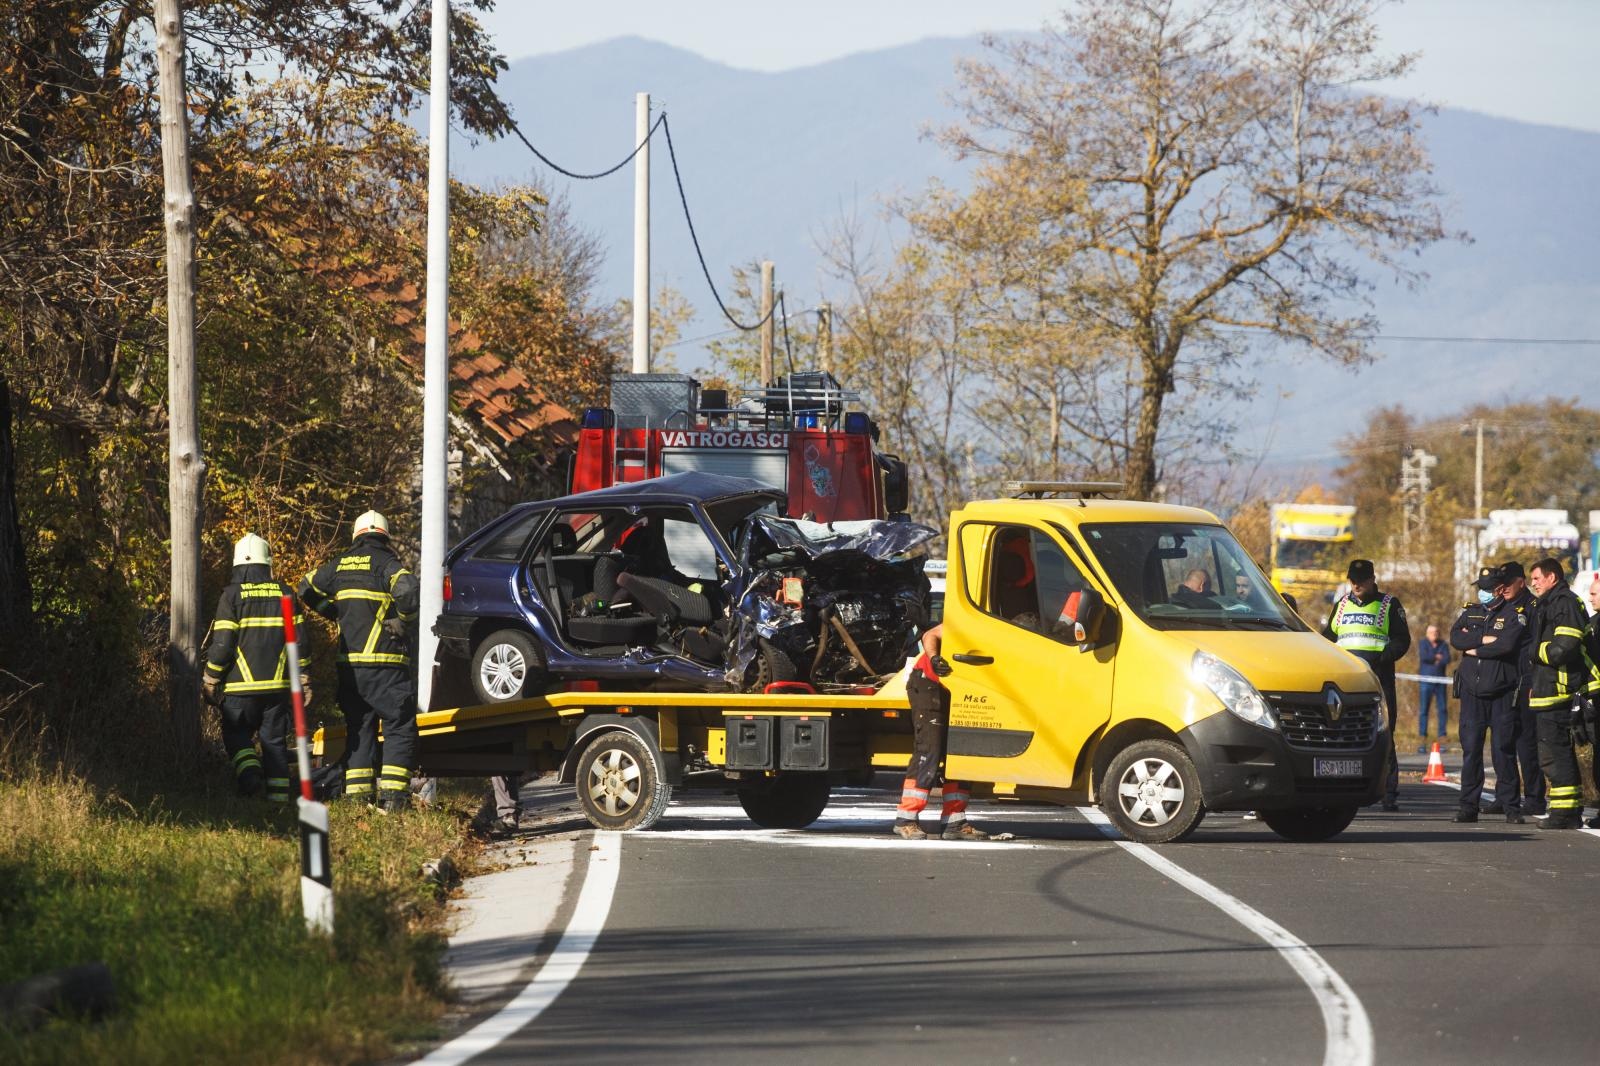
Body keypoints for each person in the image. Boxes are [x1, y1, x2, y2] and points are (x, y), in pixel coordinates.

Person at [299, 510, 420, 812]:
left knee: (359, 728)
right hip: (385, 666)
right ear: (384, 536)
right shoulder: (386, 564)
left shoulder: (339, 565)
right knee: (398, 726)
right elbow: (408, 588)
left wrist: (331, 611)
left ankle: (357, 799)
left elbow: (305, 586)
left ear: (356, 535)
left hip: (350, 668)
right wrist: (404, 621)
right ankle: (394, 799)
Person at [202, 533, 307, 803]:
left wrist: (211, 678)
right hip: (277, 689)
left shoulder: (231, 596)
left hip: (240, 689)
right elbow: (299, 642)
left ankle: (250, 775)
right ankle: (279, 801)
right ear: (267, 562)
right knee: (274, 742)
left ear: (237, 563)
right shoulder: (286, 593)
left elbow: (223, 645)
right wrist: (304, 679)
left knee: (236, 734)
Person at [1322, 558, 1409, 811]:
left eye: (1361, 580)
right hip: (1345, 683)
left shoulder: (1389, 604)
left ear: (1372, 579)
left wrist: (1381, 659)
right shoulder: (1341, 605)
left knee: (1384, 734)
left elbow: (1402, 640)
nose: (1356, 585)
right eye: (1353, 580)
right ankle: (1344, 790)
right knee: (1342, 735)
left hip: (1378, 680)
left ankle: (1389, 792)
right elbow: (1328, 639)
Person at [894, 622, 989, 841]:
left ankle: (954, 822)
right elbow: (931, 634)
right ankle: (905, 819)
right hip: (929, 684)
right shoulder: (973, 621)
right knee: (929, 750)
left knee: (961, 753)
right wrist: (934, 658)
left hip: (960, 690)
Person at [1449, 567, 1526, 824]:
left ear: (1499, 589)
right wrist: (1484, 638)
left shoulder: (1514, 614)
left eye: (1486, 588)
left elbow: (1506, 645)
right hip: (1472, 694)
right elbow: (1456, 638)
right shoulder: (1470, 612)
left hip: (1501, 693)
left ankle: (1511, 808)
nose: (1481, 592)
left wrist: (1475, 648)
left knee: (1503, 750)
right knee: (1471, 751)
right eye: (1479, 587)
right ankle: (1468, 807)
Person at [1526, 558, 1592, 830]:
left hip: (1559, 690)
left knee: (1555, 753)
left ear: (1552, 577)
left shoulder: (1564, 603)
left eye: (1537, 578)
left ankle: (1564, 813)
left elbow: (1564, 647)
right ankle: (1568, 810)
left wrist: (1535, 651)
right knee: (1552, 752)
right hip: (1548, 689)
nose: (1533, 583)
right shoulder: (1549, 603)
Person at [1495, 561, 1547, 816]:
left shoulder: (1534, 607)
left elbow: (1536, 646)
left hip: (1526, 681)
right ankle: (1506, 797)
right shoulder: (1500, 606)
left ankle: (1535, 799)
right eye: (1501, 584)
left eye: (1508, 583)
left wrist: (1535, 681)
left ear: (1521, 582)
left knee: (1527, 744)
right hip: (1504, 682)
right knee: (1502, 742)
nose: (1503, 588)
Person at [1415, 623, 1451, 748]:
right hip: (1426, 681)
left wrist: (1436, 658)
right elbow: (1424, 657)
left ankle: (1442, 735)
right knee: (1424, 709)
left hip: (1440, 681)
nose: (1434, 634)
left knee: (1442, 709)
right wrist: (1437, 657)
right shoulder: (1423, 643)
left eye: (1436, 632)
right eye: (1431, 632)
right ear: (1427, 634)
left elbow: (1447, 659)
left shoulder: (1443, 644)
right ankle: (1422, 735)